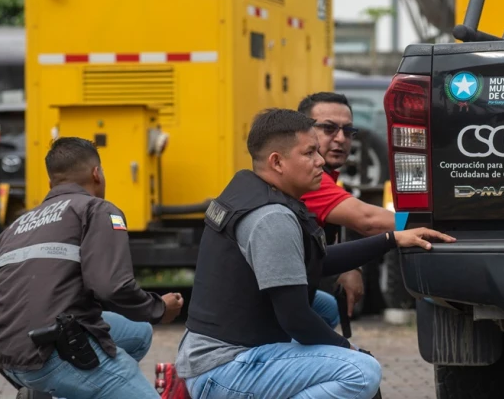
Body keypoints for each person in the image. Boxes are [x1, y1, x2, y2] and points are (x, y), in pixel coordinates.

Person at [176, 108, 455, 399]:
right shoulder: (271, 217)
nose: (321, 161)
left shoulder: (251, 189)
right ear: (277, 162)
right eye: (310, 153)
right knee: (361, 371)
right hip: (222, 370)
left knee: (324, 307)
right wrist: (348, 349)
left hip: (214, 352)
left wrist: (392, 239)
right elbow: (295, 318)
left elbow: (316, 262)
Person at [0, 137, 185, 399]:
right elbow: (111, 287)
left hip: (7, 355)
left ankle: (47, 392)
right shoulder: (96, 210)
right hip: (52, 353)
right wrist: (158, 308)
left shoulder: (14, 228)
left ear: (50, 183)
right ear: (97, 174)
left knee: (138, 332)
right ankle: (66, 381)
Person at [298, 92, 397, 319]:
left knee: (329, 309)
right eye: (329, 129)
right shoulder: (306, 177)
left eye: (348, 131)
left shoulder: (326, 175)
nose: (341, 138)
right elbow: (368, 222)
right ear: (302, 133)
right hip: (261, 304)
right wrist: (422, 221)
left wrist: (348, 265)